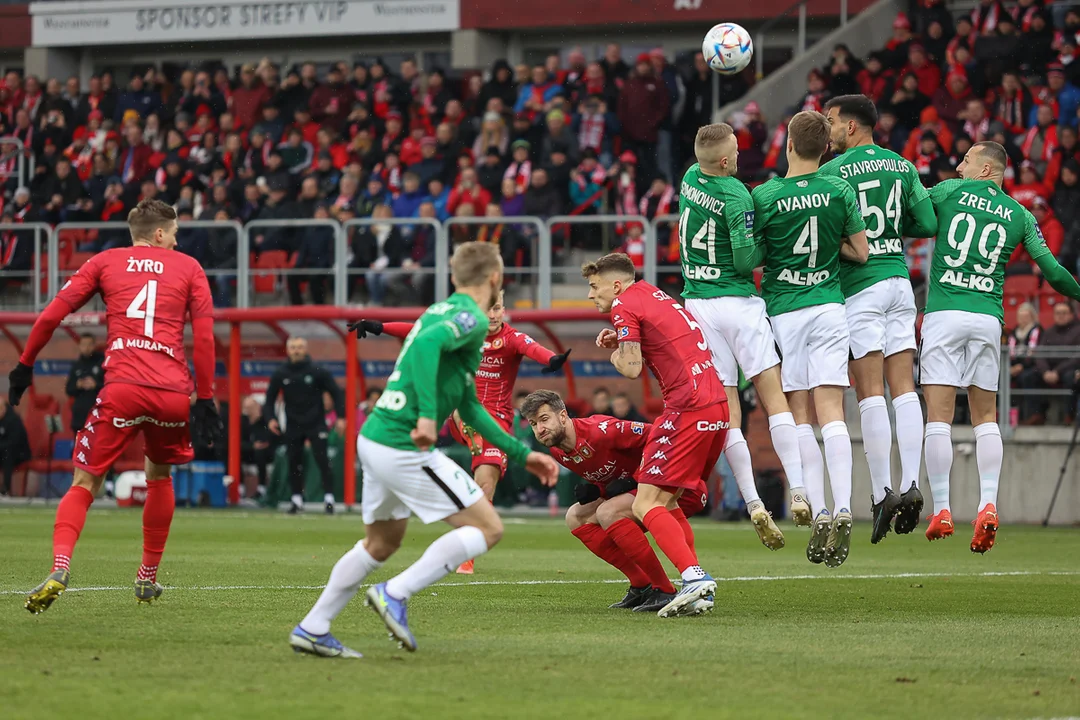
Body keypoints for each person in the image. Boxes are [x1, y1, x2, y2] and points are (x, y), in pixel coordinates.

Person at [289, 242, 560, 658]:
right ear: (495, 279)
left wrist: (523, 454)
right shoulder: (470, 318)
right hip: (402, 445)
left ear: (454, 277)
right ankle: (395, 593)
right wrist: (429, 417)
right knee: (489, 529)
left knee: (381, 543)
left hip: (376, 437)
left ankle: (313, 626)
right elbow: (428, 348)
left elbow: (468, 403)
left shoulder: (441, 310)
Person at [10, 199, 220, 613]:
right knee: (159, 476)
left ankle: (60, 566)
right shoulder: (191, 269)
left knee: (85, 482)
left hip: (123, 387)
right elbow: (207, 339)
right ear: (159, 233)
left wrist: (24, 364)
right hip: (173, 394)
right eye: (174, 234)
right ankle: (146, 579)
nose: (177, 242)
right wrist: (208, 399)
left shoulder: (106, 262)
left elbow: (52, 315)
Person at [921, 141, 1080, 552]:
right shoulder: (1020, 215)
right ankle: (988, 504)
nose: (958, 166)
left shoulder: (948, 192)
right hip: (988, 318)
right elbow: (1055, 273)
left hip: (944, 312)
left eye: (967, 160)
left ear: (987, 169)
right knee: (986, 417)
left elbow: (915, 220)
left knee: (938, 418)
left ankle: (941, 509)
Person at [349, 289, 570, 574]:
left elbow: (533, 348)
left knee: (486, 485)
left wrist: (552, 360)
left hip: (497, 421)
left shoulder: (511, 338)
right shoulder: (465, 334)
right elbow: (422, 331)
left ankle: (468, 552)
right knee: (464, 417)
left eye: (497, 309)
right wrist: (381, 327)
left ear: (504, 310)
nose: (492, 315)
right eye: (488, 309)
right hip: (463, 415)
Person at [676, 123, 810, 552]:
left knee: (727, 408)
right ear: (723, 161)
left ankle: (753, 502)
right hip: (736, 302)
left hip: (698, 303)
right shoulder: (737, 195)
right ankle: (799, 491)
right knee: (774, 399)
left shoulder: (689, 179)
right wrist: (769, 242)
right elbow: (744, 258)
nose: (739, 156)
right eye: (734, 151)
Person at [751, 110, 869, 568]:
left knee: (799, 414)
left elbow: (754, 252)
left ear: (788, 145)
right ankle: (843, 506)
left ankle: (817, 507)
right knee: (833, 412)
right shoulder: (839, 189)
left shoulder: (766, 195)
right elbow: (860, 251)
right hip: (828, 307)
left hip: (786, 310)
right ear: (825, 149)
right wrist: (830, 245)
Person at [820, 95, 940, 543]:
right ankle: (912, 482)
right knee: (904, 387)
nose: (828, 130)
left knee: (869, 391)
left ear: (851, 127)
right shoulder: (902, 165)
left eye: (831, 122)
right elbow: (927, 222)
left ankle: (881, 492)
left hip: (860, 285)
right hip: (898, 281)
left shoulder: (832, 172)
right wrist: (892, 227)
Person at [584, 252, 724, 617]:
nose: (590, 294)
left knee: (645, 504)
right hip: (716, 405)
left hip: (687, 407)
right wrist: (625, 339)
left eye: (593, 286)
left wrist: (617, 355)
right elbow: (662, 340)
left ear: (616, 284)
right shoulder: (655, 295)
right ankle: (699, 590)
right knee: (669, 501)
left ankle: (693, 578)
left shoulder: (623, 303)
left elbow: (631, 369)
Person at [521, 389, 708, 614]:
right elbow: (613, 476)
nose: (539, 429)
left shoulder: (601, 431)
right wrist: (597, 489)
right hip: (640, 492)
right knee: (575, 516)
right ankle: (643, 585)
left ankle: (663, 589)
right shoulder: (559, 451)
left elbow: (663, 438)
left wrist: (634, 479)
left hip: (681, 487)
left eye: (544, 419)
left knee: (608, 511)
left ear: (562, 416)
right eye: (533, 424)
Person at [263, 337, 346, 515]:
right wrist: (271, 418)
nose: (296, 351)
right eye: (293, 347)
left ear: (306, 349)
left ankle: (329, 499)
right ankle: (296, 500)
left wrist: (341, 416)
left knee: (322, 460)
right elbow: (269, 399)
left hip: (316, 422)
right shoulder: (281, 373)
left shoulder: (317, 371)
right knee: (294, 462)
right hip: (293, 423)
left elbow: (336, 392)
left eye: (300, 347)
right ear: (287, 350)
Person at [64, 333, 105, 433]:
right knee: (79, 445)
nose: (86, 348)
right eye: (83, 344)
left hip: (98, 415)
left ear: (94, 345)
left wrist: (96, 385)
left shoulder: (102, 362)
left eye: (89, 344)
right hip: (79, 417)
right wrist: (78, 385)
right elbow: (69, 389)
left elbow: (110, 387)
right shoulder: (77, 365)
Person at [241, 396, 278, 500]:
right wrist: (252, 446)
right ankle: (240, 488)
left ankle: (262, 488)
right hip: (248, 452)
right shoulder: (243, 422)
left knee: (260, 452)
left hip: (266, 453)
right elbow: (237, 441)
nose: (249, 410)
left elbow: (268, 440)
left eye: (251, 407)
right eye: (246, 408)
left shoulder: (266, 420)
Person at [0, 397, 31, 497]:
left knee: (7, 454)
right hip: (3, 452)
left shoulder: (14, 420)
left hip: (19, 454)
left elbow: (14, 442)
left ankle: (5, 490)